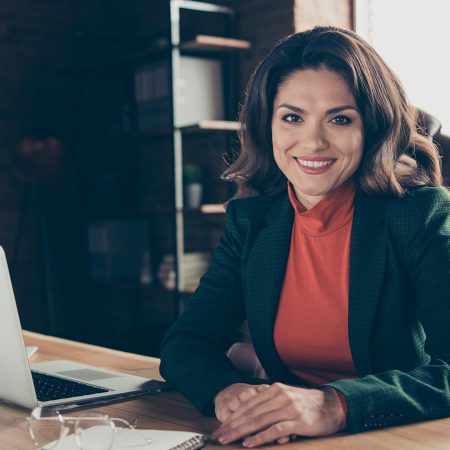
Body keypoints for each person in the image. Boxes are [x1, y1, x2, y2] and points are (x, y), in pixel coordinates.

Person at [159, 26, 450, 447]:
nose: (312, 142)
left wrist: (334, 405)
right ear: (268, 126)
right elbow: (186, 342)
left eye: (340, 118)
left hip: (392, 434)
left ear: (372, 128)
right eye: (292, 117)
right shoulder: (252, 221)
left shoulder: (417, 216)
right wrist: (227, 390)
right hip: (282, 438)